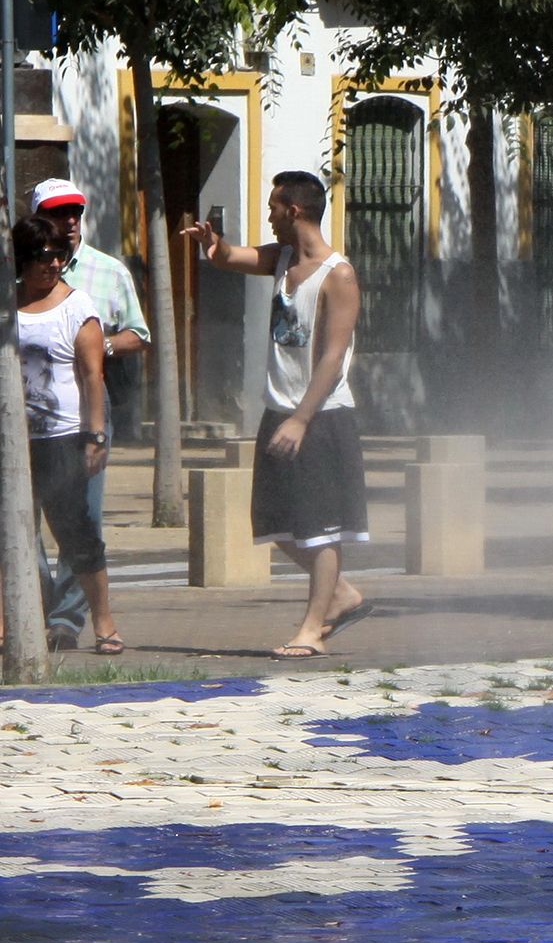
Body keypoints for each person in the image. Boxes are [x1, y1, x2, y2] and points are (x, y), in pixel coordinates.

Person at [182, 172, 373, 658]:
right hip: (279, 407)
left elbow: (332, 357)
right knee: (272, 520)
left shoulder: (339, 274)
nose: (268, 215)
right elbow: (230, 258)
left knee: (320, 525)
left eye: (273, 207)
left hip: (321, 415)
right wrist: (213, 243)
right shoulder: (281, 259)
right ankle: (342, 594)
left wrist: (302, 419)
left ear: (295, 210)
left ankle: (312, 628)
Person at [27, 178, 149, 646]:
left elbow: (138, 334)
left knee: (81, 517)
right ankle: (33, 602)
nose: (70, 221)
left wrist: (96, 348)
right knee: (21, 517)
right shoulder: (14, 281)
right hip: (31, 416)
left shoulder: (107, 272)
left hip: (86, 411)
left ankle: (68, 618)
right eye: (59, 213)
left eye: (76, 212)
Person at [5, 220, 120, 654]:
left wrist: (95, 435)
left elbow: (93, 375)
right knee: (12, 531)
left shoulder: (77, 306)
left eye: (58, 255)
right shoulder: (7, 305)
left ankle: (104, 623)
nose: (52, 264)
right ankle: (22, 621)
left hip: (65, 435)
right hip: (19, 439)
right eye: (41, 256)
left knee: (76, 532)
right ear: (21, 260)